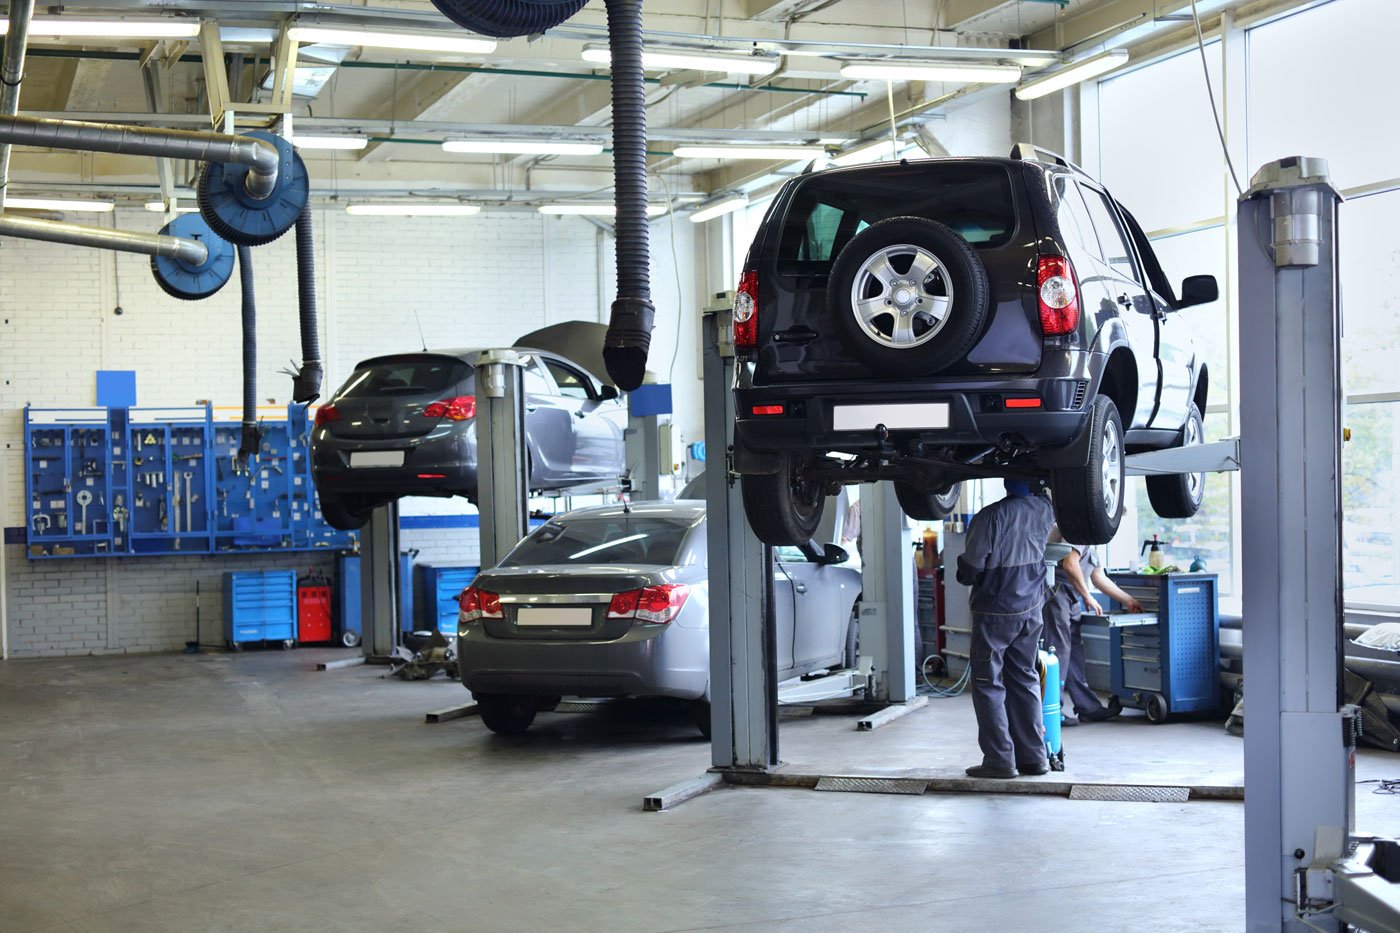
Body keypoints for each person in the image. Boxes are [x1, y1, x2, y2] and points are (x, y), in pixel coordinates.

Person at [956, 478, 1055, 779]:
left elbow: (971, 567)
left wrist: (964, 572)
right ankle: (1034, 758)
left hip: (995, 611)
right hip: (1031, 610)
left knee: (988, 684)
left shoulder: (990, 516)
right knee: (1025, 677)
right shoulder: (1045, 510)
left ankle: (1000, 760)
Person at [1042, 533, 1143, 724]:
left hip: (1071, 595)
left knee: (1074, 655)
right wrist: (1087, 596)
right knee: (1057, 654)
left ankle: (1087, 707)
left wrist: (1128, 600)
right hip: (1056, 592)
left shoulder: (1091, 542)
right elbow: (1069, 564)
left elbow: (1098, 577)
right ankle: (1052, 713)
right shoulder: (1077, 530)